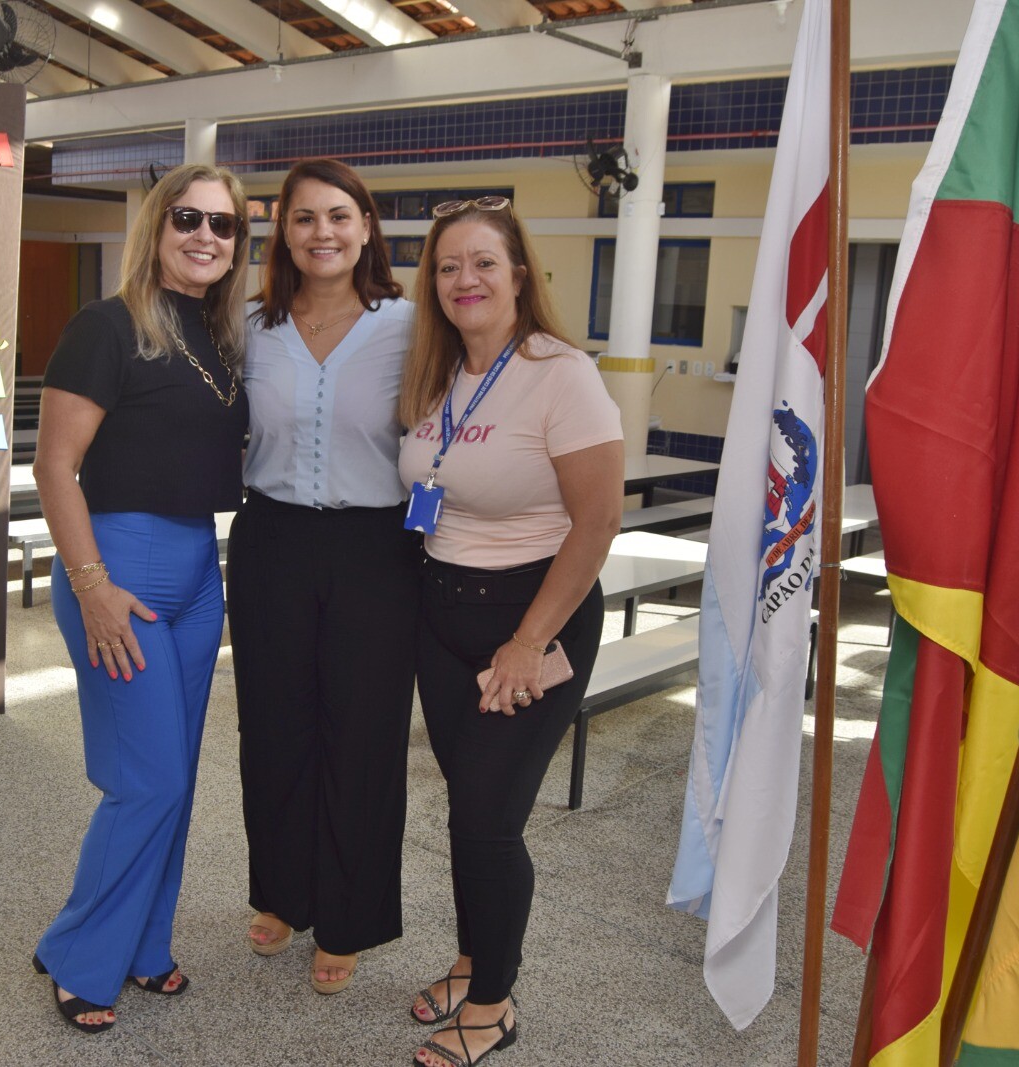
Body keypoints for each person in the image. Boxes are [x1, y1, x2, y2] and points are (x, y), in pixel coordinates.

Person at [395, 196, 624, 1067]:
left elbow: (597, 521)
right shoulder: (439, 370)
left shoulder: (560, 371)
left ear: (520, 273)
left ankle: (493, 1004)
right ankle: (472, 958)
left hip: (534, 617)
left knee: (489, 819)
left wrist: (527, 642)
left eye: (484, 262)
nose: (465, 279)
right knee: (466, 809)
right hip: (441, 612)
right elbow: (429, 488)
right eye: (448, 266)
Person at [30, 163, 250, 1033]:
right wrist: (92, 589)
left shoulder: (220, 334)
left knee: (178, 778)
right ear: (157, 227)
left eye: (224, 226)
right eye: (188, 219)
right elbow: (54, 467)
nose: (206, 236)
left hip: (200, 565)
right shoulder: (105, 326)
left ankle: (145, 945)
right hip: (118, 564)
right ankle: (79, 952)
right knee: (147, 780)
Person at [226, 158, 419, 995]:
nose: (323, 233)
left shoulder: (412, 325)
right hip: (270, 539)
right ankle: (281, 892)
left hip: (377, 547)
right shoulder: (251, 325)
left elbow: (439, 438)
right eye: (304, 218)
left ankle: (348, 915)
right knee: (273, 728)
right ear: (284, 232)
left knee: (364, 735)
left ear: (367, 225)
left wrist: (427, 540)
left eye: (339, 216)